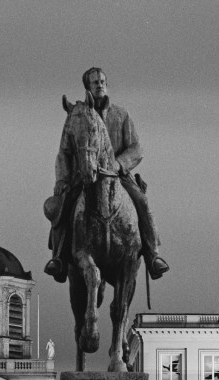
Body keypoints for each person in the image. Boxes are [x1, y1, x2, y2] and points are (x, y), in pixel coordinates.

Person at [45, 67, 170, 282]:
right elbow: (64, 153)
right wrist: (62, 179)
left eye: (102, 81)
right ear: (87, 88)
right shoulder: (76, 116)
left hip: (117, 177)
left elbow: (136, 148)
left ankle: (152, 256)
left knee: (142, 202)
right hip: (83, 175)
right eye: (95, 82)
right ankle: (59, 258)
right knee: (63, 207)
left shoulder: (121, 115)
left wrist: (118, 164)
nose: (100, 84)